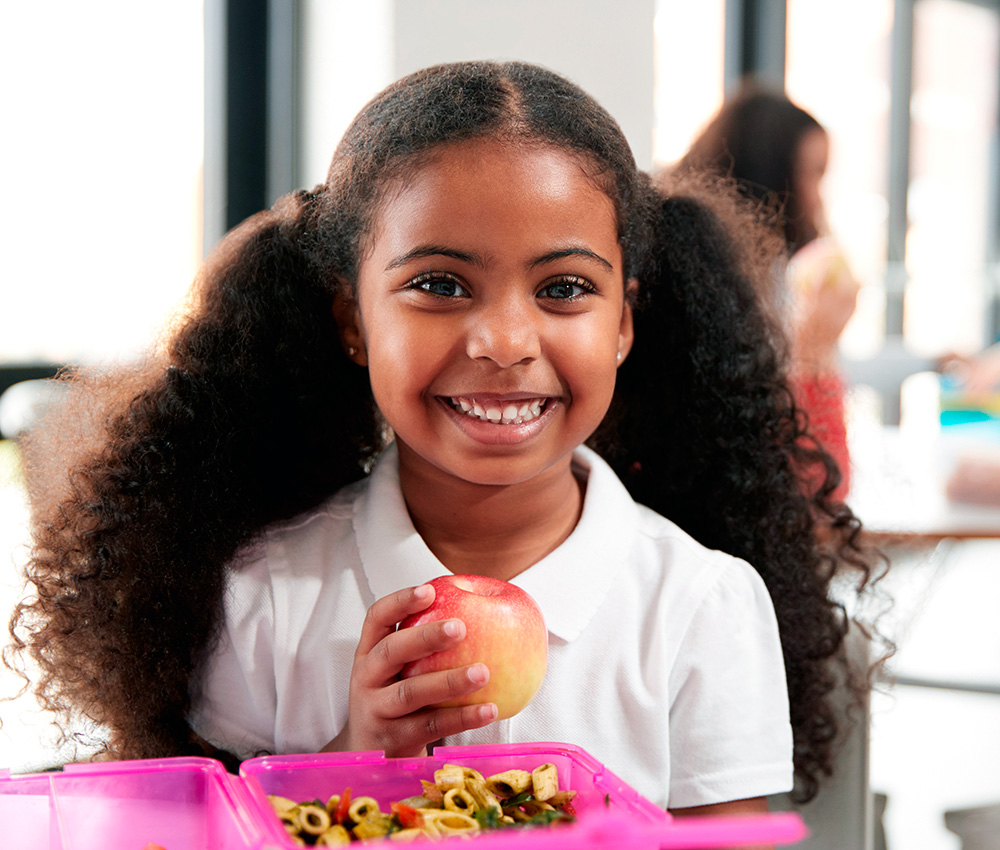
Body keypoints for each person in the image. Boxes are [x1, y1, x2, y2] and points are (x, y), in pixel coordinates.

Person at [8, 61, 880, 817]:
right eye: (439, 283)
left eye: (565, 288)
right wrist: (350, 758)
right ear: (353, 320)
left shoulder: (702, 608)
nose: (504, 341)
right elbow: (212, 826)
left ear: (625, 323)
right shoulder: (264, 596)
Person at [677, 87, 859, 502]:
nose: (817, 197)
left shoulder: (766, 283)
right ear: (772, 175)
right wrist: (814, 354)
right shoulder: (714, 310)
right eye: (814, 174)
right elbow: (819, 492)